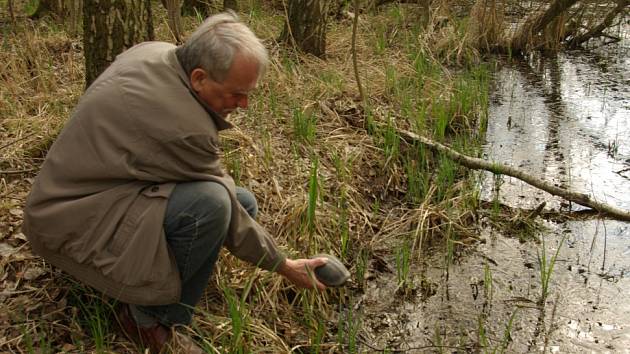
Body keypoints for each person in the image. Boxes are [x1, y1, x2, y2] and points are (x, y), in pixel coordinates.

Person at [23, 11, 327, 353]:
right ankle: (149, 319)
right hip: (71, 221)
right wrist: (284, 266)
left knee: (242, 203)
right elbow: (218, 195)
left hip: (93, 193)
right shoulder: (185, 127)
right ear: (199, 78)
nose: (244, 104)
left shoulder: (157, 52)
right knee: (212, 206)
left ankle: (169, 287)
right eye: (236, 94)